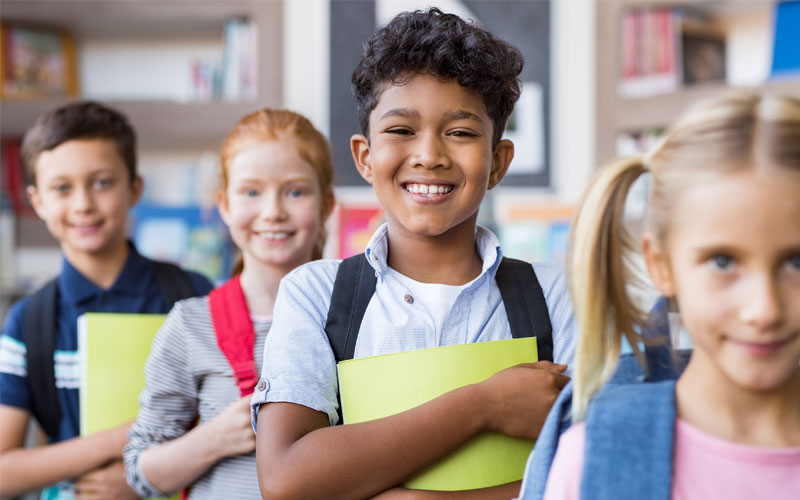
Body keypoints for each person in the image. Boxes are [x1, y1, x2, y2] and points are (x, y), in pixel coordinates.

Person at [251, 8, 576, 500]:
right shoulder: (317, 295)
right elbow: (287, 480)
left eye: (462, 132)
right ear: (364, 156)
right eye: (401, 130)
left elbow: (595, 473)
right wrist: (483, 405)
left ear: (497, 162)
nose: (429, 155)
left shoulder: (557, 298)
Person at [536, 93, 800, 500]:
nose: (764, 309)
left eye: (796, 262)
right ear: (661, 266)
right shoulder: (594, 463)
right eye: (723, 262)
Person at [0, 101, 213, 500]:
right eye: (62, 188)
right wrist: (123, 440)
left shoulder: (196, 296)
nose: (82, 204)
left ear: (135, 187)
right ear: (37, 201)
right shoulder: (28, 322)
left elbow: (229, 427)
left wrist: (145, 477)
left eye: (101, 182)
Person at [123, 108, 335, 499]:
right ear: (224, 205)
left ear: (326, 204)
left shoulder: (362, 316)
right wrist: (214, 439)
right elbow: (142, 473)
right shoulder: (190, 325)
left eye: (295, 191)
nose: (273, 211)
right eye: (251, 192)